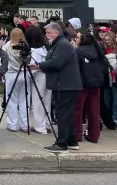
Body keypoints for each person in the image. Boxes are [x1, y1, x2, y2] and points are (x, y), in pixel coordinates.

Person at [35, 22, 83, 152]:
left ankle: (61, 143)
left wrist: (39, 65)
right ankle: (72, 141)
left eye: (48, 32)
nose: (46, 35)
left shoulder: (62, 45)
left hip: (66, 85)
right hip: (64, 84)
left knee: (62, 114)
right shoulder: (59, 44)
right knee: (67, 114)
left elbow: (56, 63)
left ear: (56, 32)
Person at [73, 30, 106, 143]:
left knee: (78, 111)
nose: (76, 39)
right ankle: (94, 135)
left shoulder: (78, 52)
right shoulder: (97, 51)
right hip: (96, 84)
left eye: (78, 37)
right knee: (94, 111)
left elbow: (76, 69)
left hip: (82, 84)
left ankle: (77, 135)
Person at [25, 26, 51, 134]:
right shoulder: (46, 48)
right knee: (47, 101)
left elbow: (33, 67)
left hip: (39, 76)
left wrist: (28, 75)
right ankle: (46, 123)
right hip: (48, 75)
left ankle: (39, 126)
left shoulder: (34, 51)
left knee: (38, 101)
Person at [2, 28, 28, 132]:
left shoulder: (7, 46)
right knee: (24, 100)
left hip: (11, 74)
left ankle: (12, 124)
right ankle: (24, 124)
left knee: (12, 100)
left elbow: (2, 59)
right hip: (23, 73)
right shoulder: (25, 46)